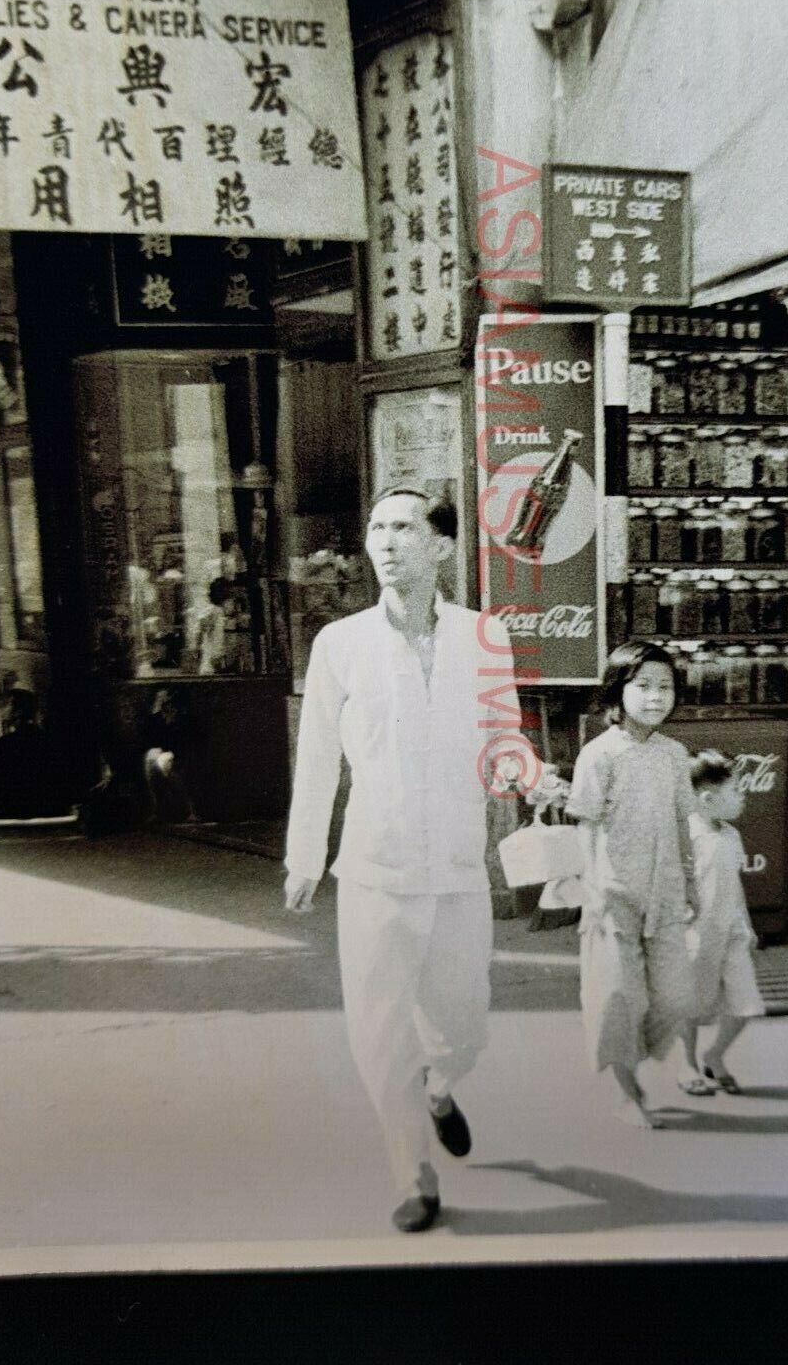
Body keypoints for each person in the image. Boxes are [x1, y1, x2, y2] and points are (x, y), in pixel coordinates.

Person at [283, 487, 521, 1234]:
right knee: (381, 1027)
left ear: (442, 545)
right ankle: (410, 1167)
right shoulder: (340, 643)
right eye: (376, 528)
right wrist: (305, 855)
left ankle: (442, 1088)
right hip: (374, 868)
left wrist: (531, 779)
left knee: (464, 1027)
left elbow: (502, 740)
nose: (385, 542)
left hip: (455, 866)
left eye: (404, 528)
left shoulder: (483, 637)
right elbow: (318, 756)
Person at [567, 641, 699, 1129]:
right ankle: (628, 1093)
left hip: (665, 892)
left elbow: (683, 822)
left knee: (678, 998)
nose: (655, 697)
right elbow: (586, 824)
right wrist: (592, 891)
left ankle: (641, 1058)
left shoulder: (674, 754)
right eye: (642, 686)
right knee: (617, 998)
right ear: (617, 691)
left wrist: (689, 882)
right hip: (613, 894)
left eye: (665, 687)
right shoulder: (598, 755)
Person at [676, 750, 766, 1098]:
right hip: (696, 934)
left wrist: (746, 923)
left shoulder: (730, 836)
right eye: (736, 791)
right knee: (691, 1004)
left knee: (746, 1003)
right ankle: (686, 1063)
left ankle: (714, 1054)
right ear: (708, 798)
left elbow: (733, 883)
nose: (742, 798)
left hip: (731, 931)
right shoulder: (688, 836)